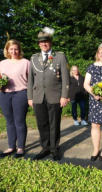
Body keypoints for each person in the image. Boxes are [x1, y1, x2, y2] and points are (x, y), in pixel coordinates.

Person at [28, 27, 70, 161]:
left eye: (46, 41)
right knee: (42, 124)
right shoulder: (34, 58)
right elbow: (30, 80)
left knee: (54, 123)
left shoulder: (60, 56)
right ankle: (45, 148)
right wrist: (30, 97)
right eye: (41, 42)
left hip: (55, 96)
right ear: (39, 44)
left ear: (50, 42)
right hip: (38, 96)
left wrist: (64, 95)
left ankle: (54, 148)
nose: (44, 44)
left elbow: (66, 78)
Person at [0, 39, 30, 158]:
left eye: (16, 49)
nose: (14, 51)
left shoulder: (26, 62)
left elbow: (32, 80)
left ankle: (21, 147)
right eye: (11, 49)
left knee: (19, 121)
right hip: (4, 94)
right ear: (7, 50)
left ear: (19, 50)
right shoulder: (2, 63)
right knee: (9, 121)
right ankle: (11, 146)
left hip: (21, 93)